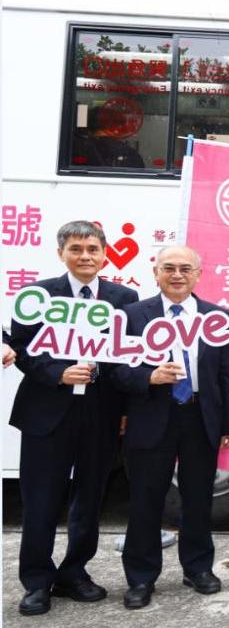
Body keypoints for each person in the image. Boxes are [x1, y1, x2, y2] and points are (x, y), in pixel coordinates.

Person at [8, 221, 138, 616]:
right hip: (46, 412)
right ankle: (36, 581)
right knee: (41, 500)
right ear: (61, 252)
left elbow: (128, 355)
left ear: (105, 254)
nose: (85, 256)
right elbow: (21, 348)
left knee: (90, 498)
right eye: (76, 249)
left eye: (93, 249)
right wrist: (58, 373)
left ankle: (74, 572)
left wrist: (125, 410)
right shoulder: (38, 295)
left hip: (100, 413)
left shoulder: (124, 297)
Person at [112, 245, 229, 609]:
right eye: (169, 268)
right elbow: (114, 369)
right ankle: (141, 577)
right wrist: (148, 377)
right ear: (156, 273)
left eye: (186, 268)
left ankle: (198, 568)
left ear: (199, 274)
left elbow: (228, 373)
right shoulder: (133, 315)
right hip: (152, 415)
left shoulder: (216, 316)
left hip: (200, 416)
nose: (177, 275)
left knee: (198, 498)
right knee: (146, 499)